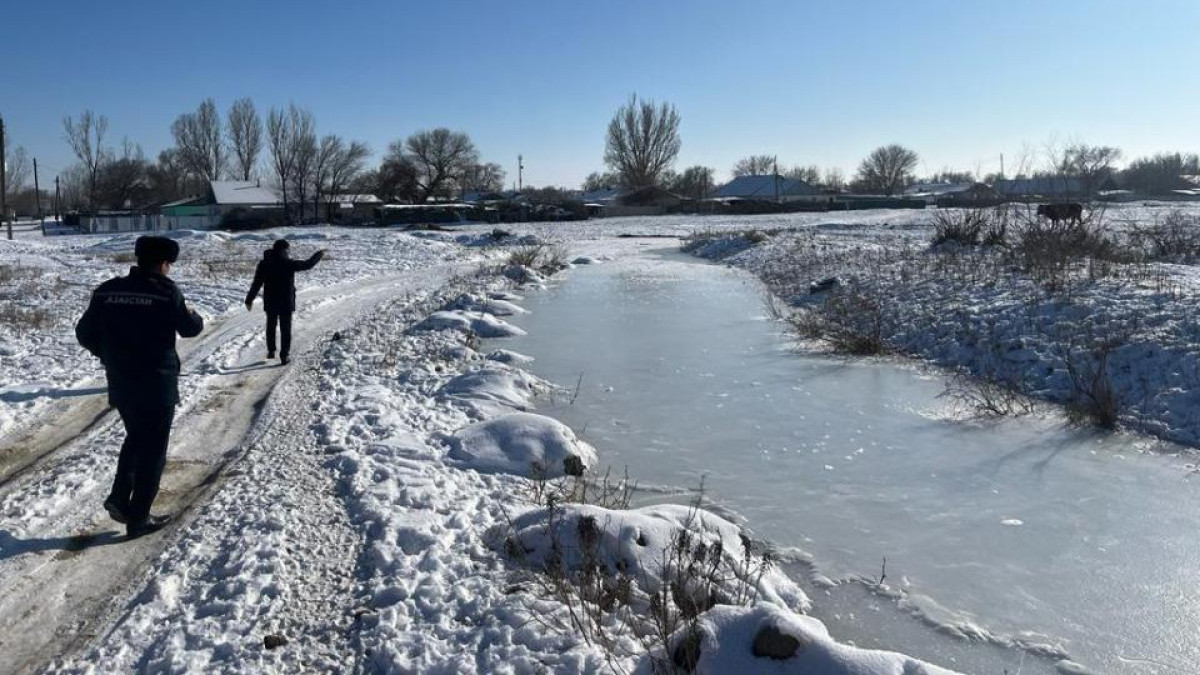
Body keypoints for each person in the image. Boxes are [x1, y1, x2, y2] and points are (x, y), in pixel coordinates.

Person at [75, 236, 204, 539]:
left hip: (122, 382)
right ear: (163, 264)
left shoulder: (108, 291)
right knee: (153, 450)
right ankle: (139, 517)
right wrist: (194, 313)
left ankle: (120, 498)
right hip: (157, 383)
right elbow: (190, 328)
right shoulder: (165, 292)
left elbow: (84, 333)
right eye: (169, 264)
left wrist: (107, 355)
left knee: (136, 437)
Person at [244, 239, 325, 365]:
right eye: (288, 249)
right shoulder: (288, 263)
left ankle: (271, 351)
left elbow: (257, 283)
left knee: (271, 326)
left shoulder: (264, 263)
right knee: (285, 329)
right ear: (285, 249)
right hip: (286, 302)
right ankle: (284, 356)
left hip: (270, 301)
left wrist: (249, 300)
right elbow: (308, 264)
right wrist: (319, 254)